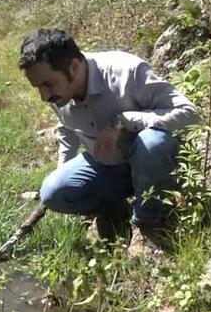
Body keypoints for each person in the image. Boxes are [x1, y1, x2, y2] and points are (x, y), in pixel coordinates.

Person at [18, 28, 201, 260]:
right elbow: (67, 130)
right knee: (53, 191)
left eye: (48, 85)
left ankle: (148, 225)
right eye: (38, 88)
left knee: (152, 142)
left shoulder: (126, 72)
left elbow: (190, 114)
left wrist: (124, 121)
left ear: (74, 67)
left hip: (153, 165)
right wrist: (63, 171)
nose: (44, 97)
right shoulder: (58, 92)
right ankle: (112, 210)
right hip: (110, 167)